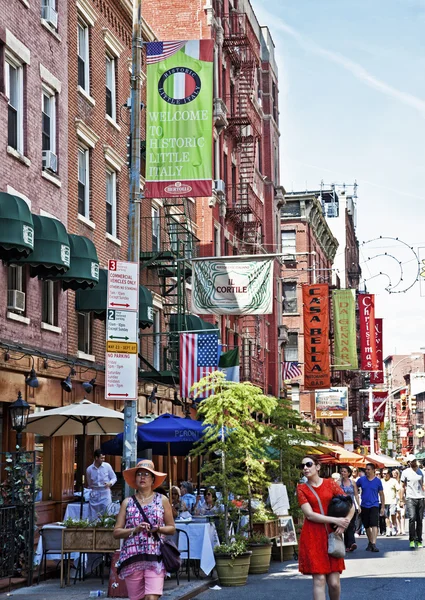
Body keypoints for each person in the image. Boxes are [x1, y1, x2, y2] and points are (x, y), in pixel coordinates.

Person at [114, 459, 176, 600]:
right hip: (132, 557)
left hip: (155, 556)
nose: (142, 477)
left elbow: (172, 528)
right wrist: (134, 530)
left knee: (151, 597)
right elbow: (116, 532)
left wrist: (158, 528)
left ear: (153, 479)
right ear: (135, 479)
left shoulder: (162, 500)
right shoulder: (127, 502)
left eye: (147, 474)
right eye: (139, 474)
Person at [297, 456, 354, 600]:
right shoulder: (302, 488)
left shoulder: (330, 484)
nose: (305, 468)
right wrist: (336, 520)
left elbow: (350, 505)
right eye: (302, 465)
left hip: (332, 534)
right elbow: (310, 515)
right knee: (320, 579)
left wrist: (345, 523)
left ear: (317, 466)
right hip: (313, 536)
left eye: (308, 464)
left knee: (334, 583)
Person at [356, 463, 385, 552]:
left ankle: (373, 543)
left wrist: (382, 507)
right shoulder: (361, 480)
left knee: (374, 524)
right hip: (364, 505)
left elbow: (381, 494)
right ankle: (370, 542)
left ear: (373, 470)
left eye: (368, 469)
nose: (367, 471)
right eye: (366, 469)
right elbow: (354, 487)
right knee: (367, 525)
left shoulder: (377, 481)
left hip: (374, 505)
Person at [400, 454, 425, 549]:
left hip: (421, 497)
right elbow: (402, 486)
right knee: (412, 517)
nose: (413, 462)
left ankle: (419, 540)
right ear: (408, 462)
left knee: (419, 519)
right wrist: (401, 499)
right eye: (411, 461)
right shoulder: (405, 472)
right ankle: (412, 539)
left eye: (414, 461)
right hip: (410, 498)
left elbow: (424, 485)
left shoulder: (422, 472)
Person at [86, 449, 117, 521]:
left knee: (107, 511)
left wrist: (110, 483)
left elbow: (114, 477)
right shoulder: (89, 469)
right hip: (95, 492)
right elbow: (89, 483)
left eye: (104, 458)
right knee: (94, 513)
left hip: (105, 492)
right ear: (96, 458)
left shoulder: (107, 466)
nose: (103, 460)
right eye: (101, 458)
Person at [339, 465, 361, 552]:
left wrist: (358, 505)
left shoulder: (352, 482)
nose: (343, 473)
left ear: (348, 473)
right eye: (342, 471)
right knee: (345, 525)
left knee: (351, 525)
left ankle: (351, 543)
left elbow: (356, 494)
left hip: (351, 506)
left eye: (345, 471)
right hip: (341, 507)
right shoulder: (338, 483)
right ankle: (348, 545)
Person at [381, 469, 398, 536]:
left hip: (392, 501)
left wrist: (399, 499)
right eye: (383, 473)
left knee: (393, 514)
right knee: (386, 516)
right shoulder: (381, 481)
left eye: (385, 473)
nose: (384, 475)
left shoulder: (393, 481)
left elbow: (398, 489)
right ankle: (388, 529)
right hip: (384, 501)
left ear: (389, 474)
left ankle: (394, 527)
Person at [393, 469, 405, 535]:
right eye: (393, 474)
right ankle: (399, 529)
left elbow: (403, 489)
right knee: (397, 515)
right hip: (395, 499)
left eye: (396, 474)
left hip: (402, 498)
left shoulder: (401, 481)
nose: (394, 475)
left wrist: (402, 499)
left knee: (402, 515)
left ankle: (403, 529)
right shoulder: (392, 481)